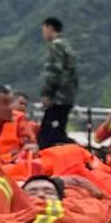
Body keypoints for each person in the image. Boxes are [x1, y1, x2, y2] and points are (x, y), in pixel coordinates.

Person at [39, 17, 80, 149]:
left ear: (50, 28)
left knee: (47, 136)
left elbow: (54, 71)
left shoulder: (56, 46)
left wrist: (47, 93)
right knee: (58, 131)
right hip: (67, 96)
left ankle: (77, 151)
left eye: (44, 29)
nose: (43, 33)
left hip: (58, 97)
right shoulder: (67, 46)